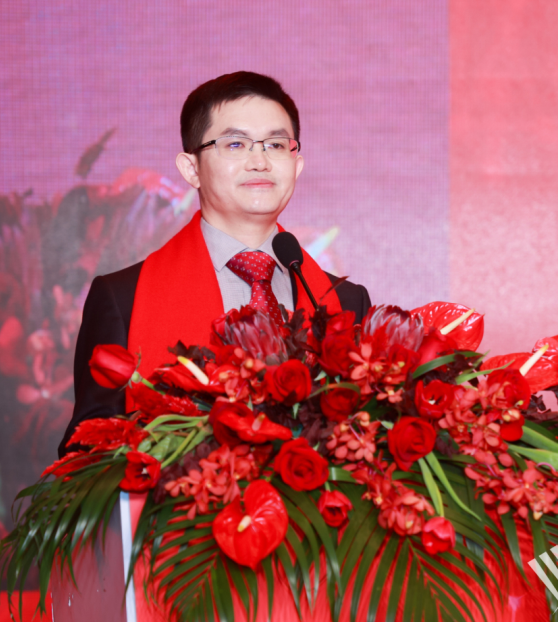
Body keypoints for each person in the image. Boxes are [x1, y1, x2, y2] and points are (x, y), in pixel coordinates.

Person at [58, 72, 371, 456]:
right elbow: (84, 456)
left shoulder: (347, 303)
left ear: (297, 164)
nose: (259, 161)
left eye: (276, 145)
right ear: (191, 169)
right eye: (235, 144)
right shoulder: (123, 299)